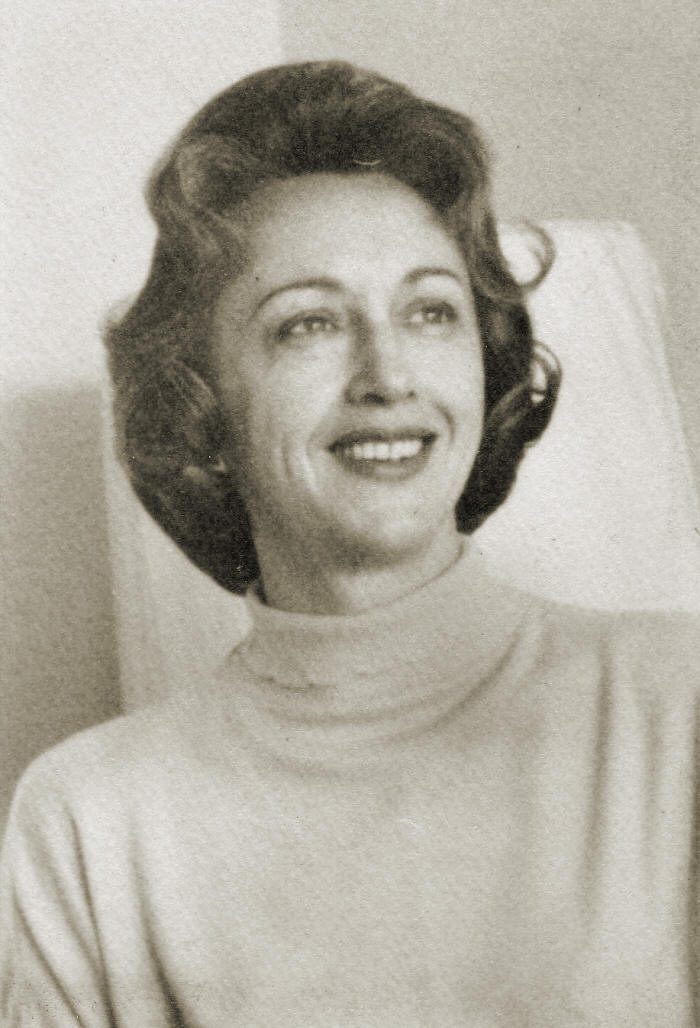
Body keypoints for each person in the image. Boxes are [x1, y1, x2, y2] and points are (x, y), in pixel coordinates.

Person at [1, 60, 698, 1026]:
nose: (388, 376)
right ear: (203, 404)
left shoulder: (676, 710)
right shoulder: (93, 820)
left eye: (430, 311)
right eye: (309, 324)